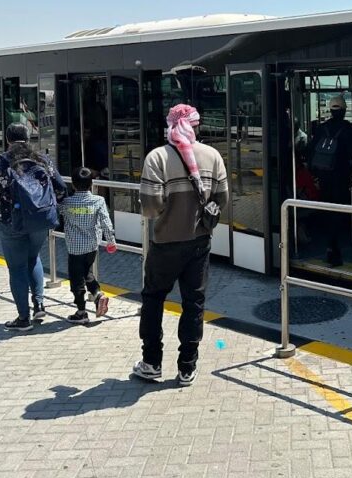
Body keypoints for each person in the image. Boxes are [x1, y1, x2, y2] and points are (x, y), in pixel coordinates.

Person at [133, 104, 229, 385]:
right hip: (199, 242)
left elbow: (150, 208)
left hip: (164, 243)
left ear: (170, 126)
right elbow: (221, 199)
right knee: (194, 302)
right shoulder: (212, 156)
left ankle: (151, 363)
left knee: (153, 299)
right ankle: (187, 366)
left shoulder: (157, 158)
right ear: (197, 126)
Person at [0, 123, 66, 331]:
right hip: (40, 221)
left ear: (7, 139)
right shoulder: (42, 159)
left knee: (17, 267)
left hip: (11, 221)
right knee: (34, 257)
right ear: (29, 137)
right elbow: (61, 188)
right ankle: (39, 304)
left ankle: (23, 319)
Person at [307, 94, 352, 267]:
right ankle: (335, 243)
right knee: (339, 207)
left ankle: (328, 242)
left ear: (330, 110)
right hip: (341, 175)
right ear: (344, 110)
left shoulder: (322, 128)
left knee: (326, 207)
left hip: (324, 176)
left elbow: (312, 151)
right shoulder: (349, 128)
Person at [59, 167, 116, 324]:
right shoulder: (98, 201)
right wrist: (111, 241)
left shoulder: (66, 202)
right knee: (87, 273)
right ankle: (98, 294)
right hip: (92, 245)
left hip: (74, 248)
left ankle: (81, 311)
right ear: (91, 184)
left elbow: (57, 214)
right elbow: (105, 221)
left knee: (76, 279)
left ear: (73, 185)